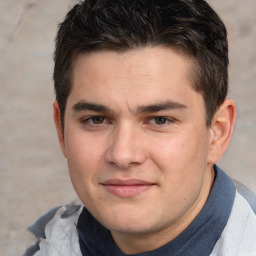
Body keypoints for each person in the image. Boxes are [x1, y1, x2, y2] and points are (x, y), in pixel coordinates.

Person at [24, 0, 256, 255]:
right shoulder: (48, 245)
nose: (123, 155)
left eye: (160, 120)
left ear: (217, 132)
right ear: (61, 129)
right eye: (97, 119)